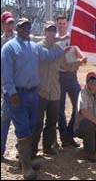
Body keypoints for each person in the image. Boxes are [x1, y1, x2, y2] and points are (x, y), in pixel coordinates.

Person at [1, 18, 68, 180]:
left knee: (31, 126)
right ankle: (26, 168)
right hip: (18, 94)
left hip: (33, 93)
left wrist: (63, 51)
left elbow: (48, 56)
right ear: (18, 28)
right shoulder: (9, 48)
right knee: (23, 127)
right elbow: (6, 73)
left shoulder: (33, 47)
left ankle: (25, 160)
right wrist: (12, 93)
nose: (26, 29)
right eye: (22, 27)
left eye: (28, 27)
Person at [31, 21, 87, 157]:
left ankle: (47, 146)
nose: (50, 33)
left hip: (54, 91)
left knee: (51, 121)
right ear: (44, 31)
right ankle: (32, 149)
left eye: (52, 30)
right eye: (48, 30)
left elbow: (66, 67)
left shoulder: (58, 49)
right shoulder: (37, 48)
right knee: (37, 122)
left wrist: (79, 63)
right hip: (41, 90)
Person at [56, 14, 83, 148]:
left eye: (63, 23)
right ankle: (64, 137)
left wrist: (83, 57)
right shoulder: (54, 40)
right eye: (59, 23)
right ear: (57, 25)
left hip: (72, 77)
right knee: (60, 108)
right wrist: (79, 62)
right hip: (59, 77)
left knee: (79, 104)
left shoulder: (72, 39)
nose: (61, 25)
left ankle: (69, 134)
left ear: (67, 24)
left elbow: (78, 53)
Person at [1, 11, 16, 161]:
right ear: (2, 24)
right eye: (7, 23)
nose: (10, 26)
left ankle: (21, 149)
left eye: (11, 23)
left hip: (20, 85)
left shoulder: (21, 38)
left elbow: (39, 39)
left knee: (21, 119)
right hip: (7, 87)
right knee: (5, 119)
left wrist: (62, 38)